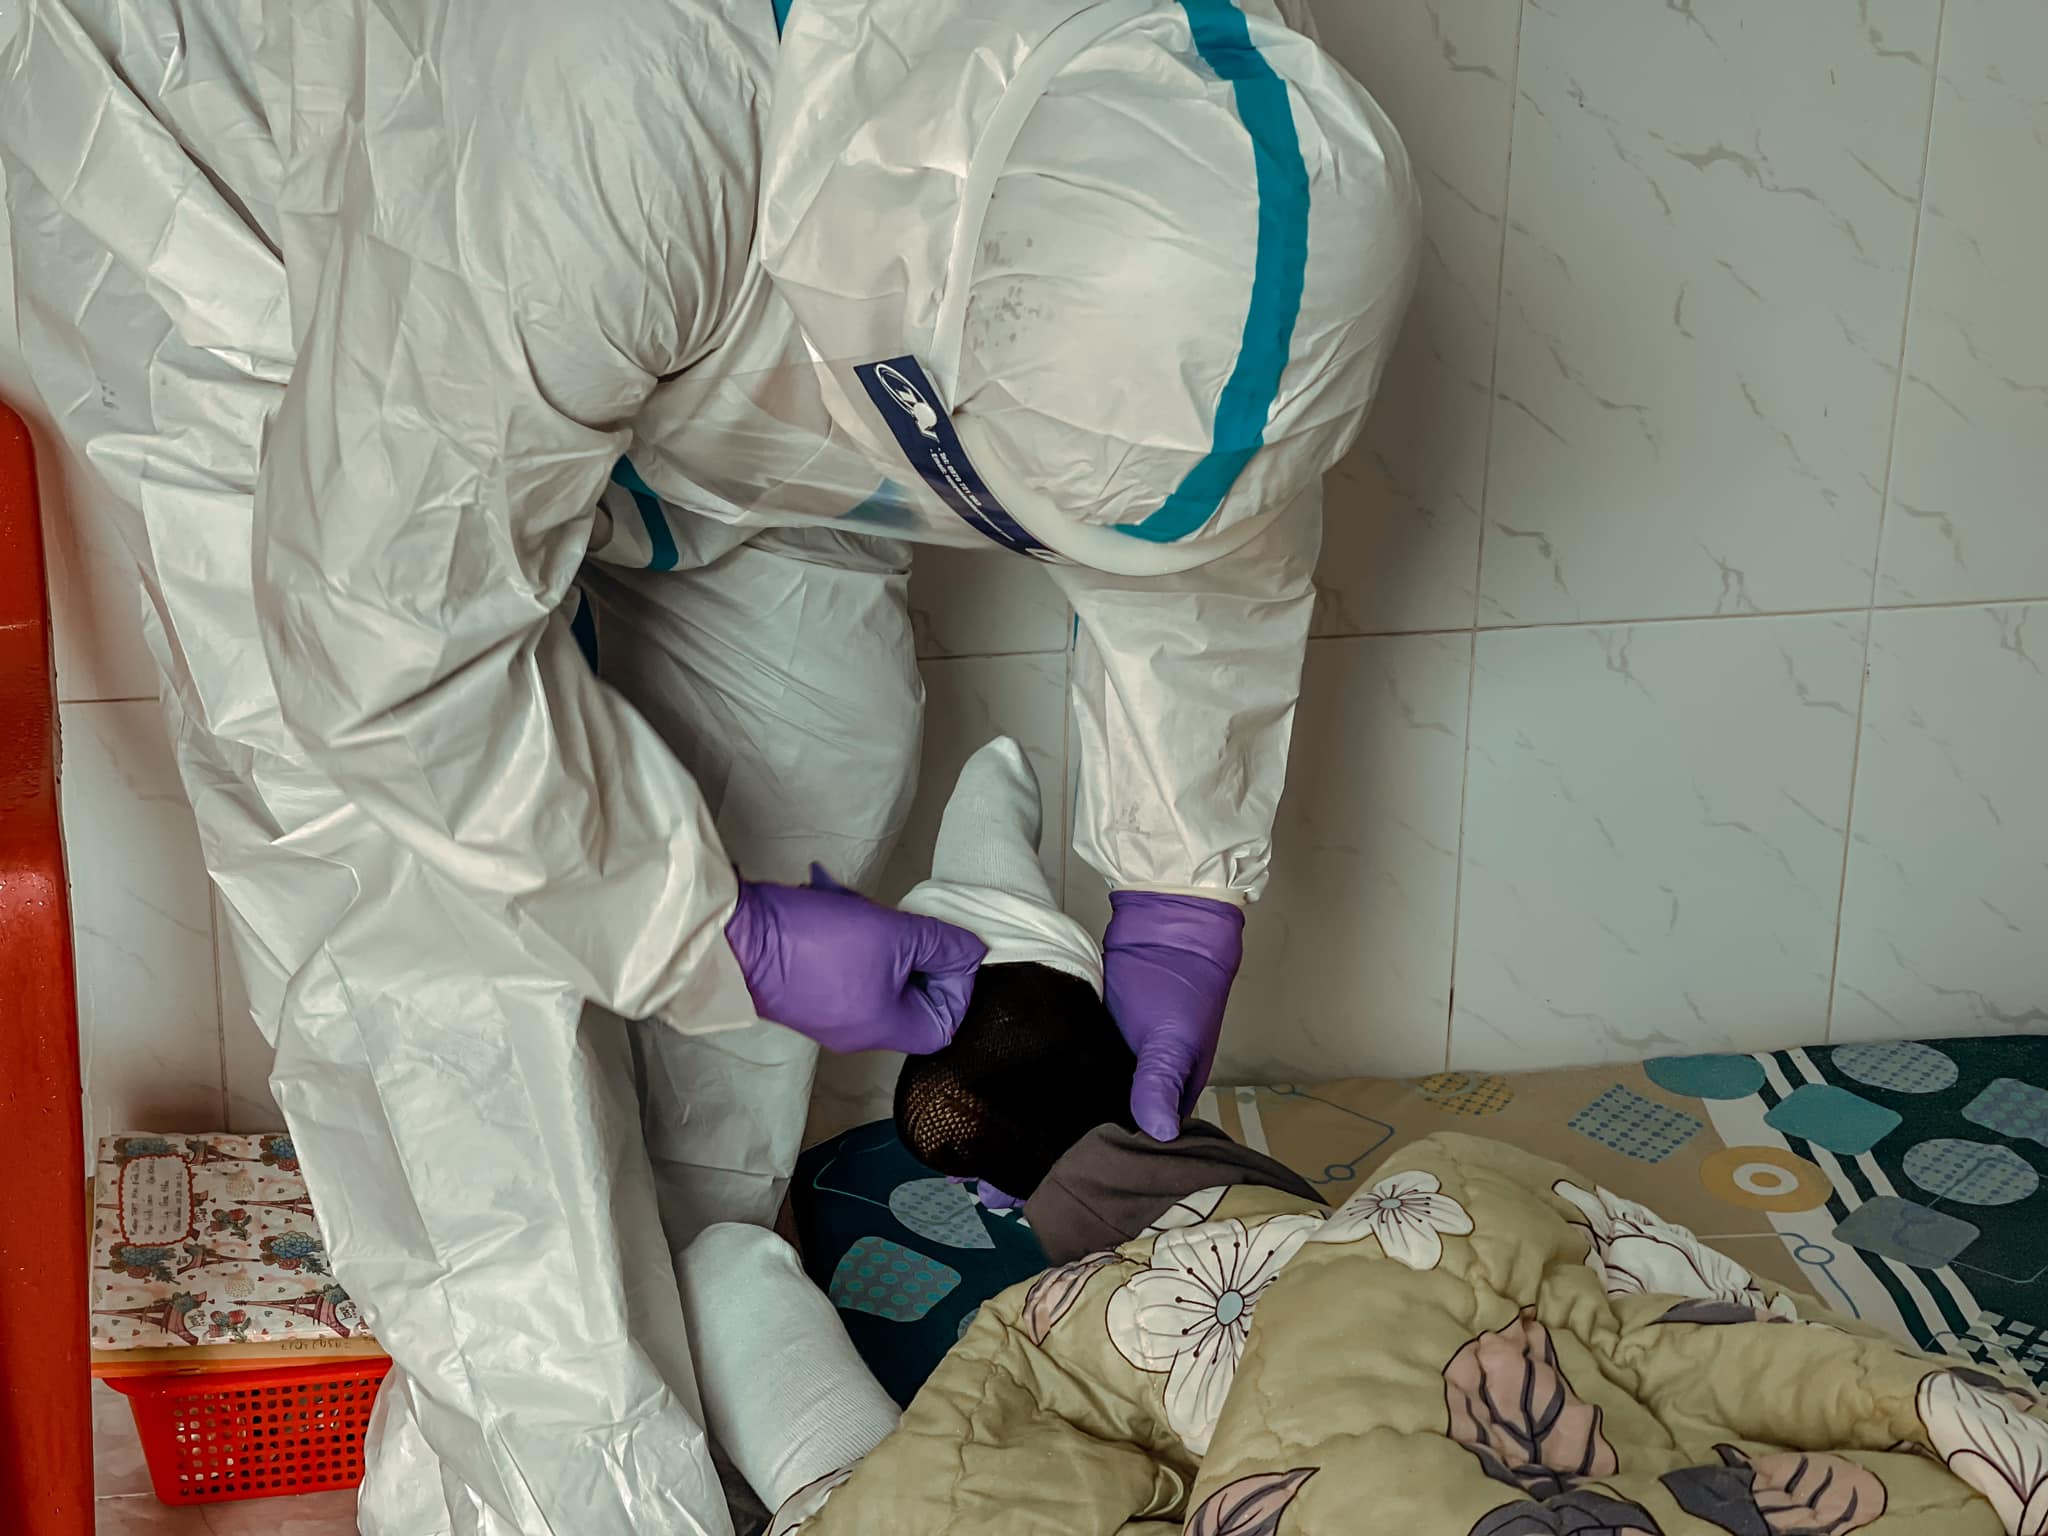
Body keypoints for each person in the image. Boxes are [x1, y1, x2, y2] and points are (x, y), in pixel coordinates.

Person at [0, 0, 1418, 1530]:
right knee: (446, 962)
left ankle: (715, 1292)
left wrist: (1183, 880)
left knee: (827, 733)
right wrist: (706, 934)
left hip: (672, 269)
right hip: (246, 179)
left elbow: (1200, 506)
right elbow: (386, 642)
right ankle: (566, 1482)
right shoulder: (628, 103)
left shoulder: (1197, 133)